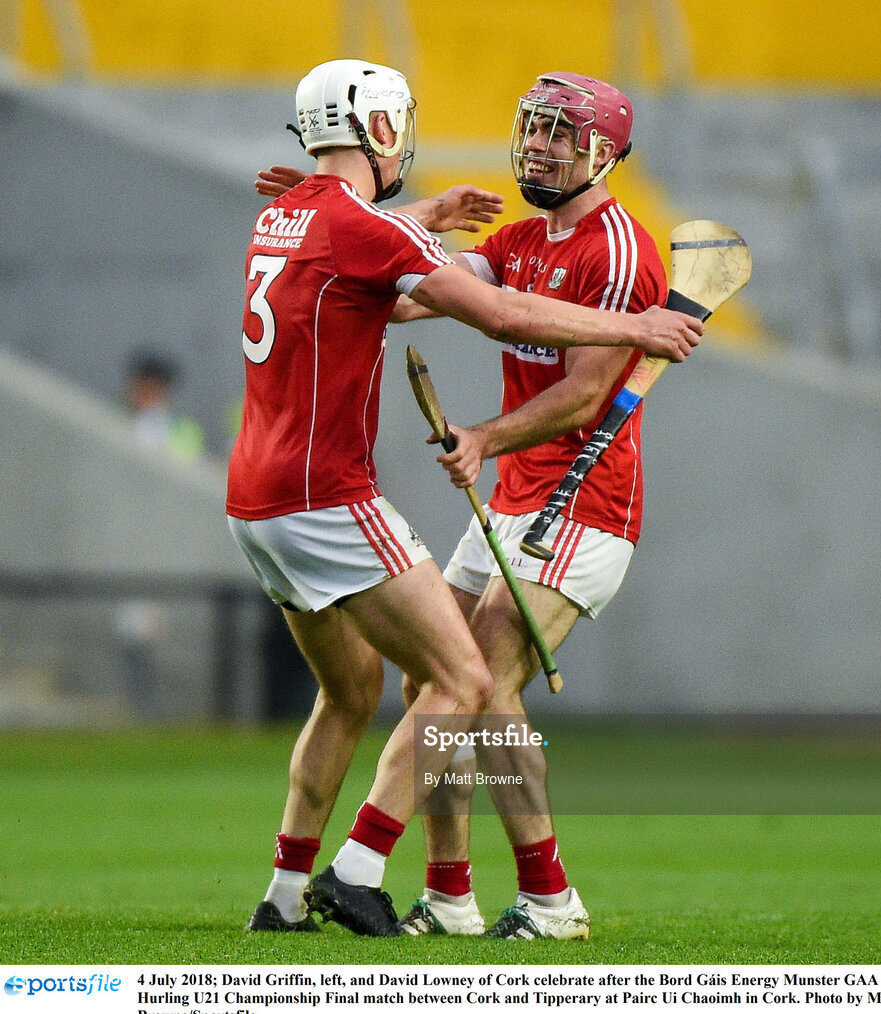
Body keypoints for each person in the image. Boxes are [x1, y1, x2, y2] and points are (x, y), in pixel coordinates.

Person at [232, 59, 703, 938]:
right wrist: (350, 223)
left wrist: (486, 435)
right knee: (429, 681)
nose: (538, 145)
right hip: (512, 501)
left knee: (478, 685)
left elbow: (586, 394)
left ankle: (549, 897)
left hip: (580, 498)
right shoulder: (520, 242)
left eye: (562, 134)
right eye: (532, 126)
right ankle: (449, 894)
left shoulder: (622, 249)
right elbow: (403, 298)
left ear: (605, 154)